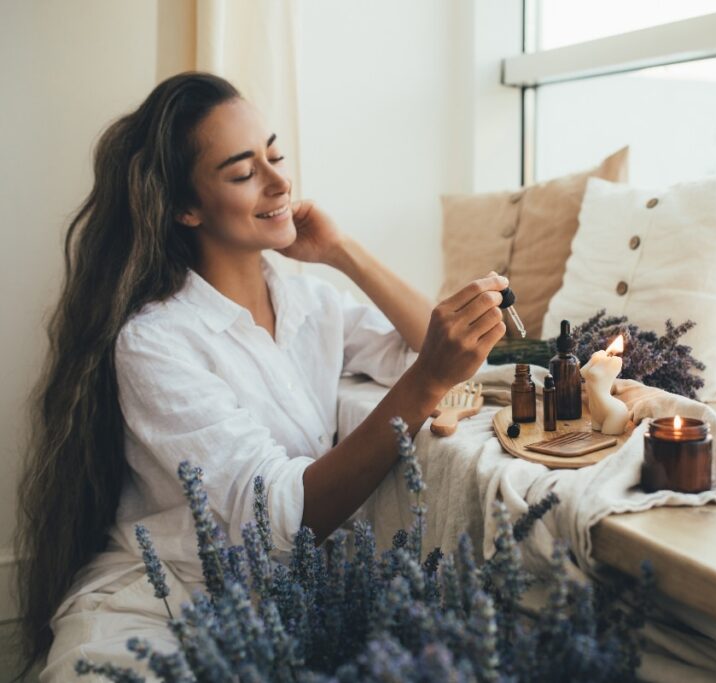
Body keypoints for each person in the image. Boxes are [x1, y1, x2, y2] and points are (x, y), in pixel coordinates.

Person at [15, 71, 508, 680]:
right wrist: (430, 380)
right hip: (169, 602)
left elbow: (432, 350)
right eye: (245, 172)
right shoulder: (155, 342)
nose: (280, 181)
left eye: (274, 155)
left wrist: (342, 252)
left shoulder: (310, 303)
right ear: (185, 207)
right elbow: (285, 514)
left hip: (288, 607)